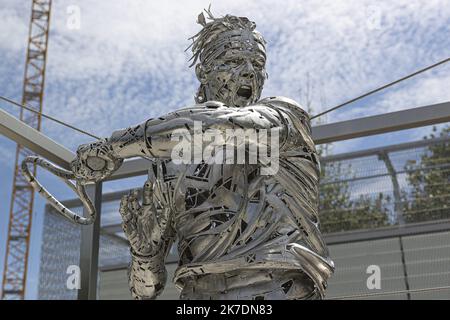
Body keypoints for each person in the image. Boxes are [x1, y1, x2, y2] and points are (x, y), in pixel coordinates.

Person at [71, 9, 334, 300]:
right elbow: (145, 292)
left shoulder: (285, 120)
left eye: (257, 63)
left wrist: (114, 147)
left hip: (278, 290)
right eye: (234, 61)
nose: (249, 71)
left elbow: (220, 125)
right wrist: (144, 254)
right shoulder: (169, 165)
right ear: (204, 70)